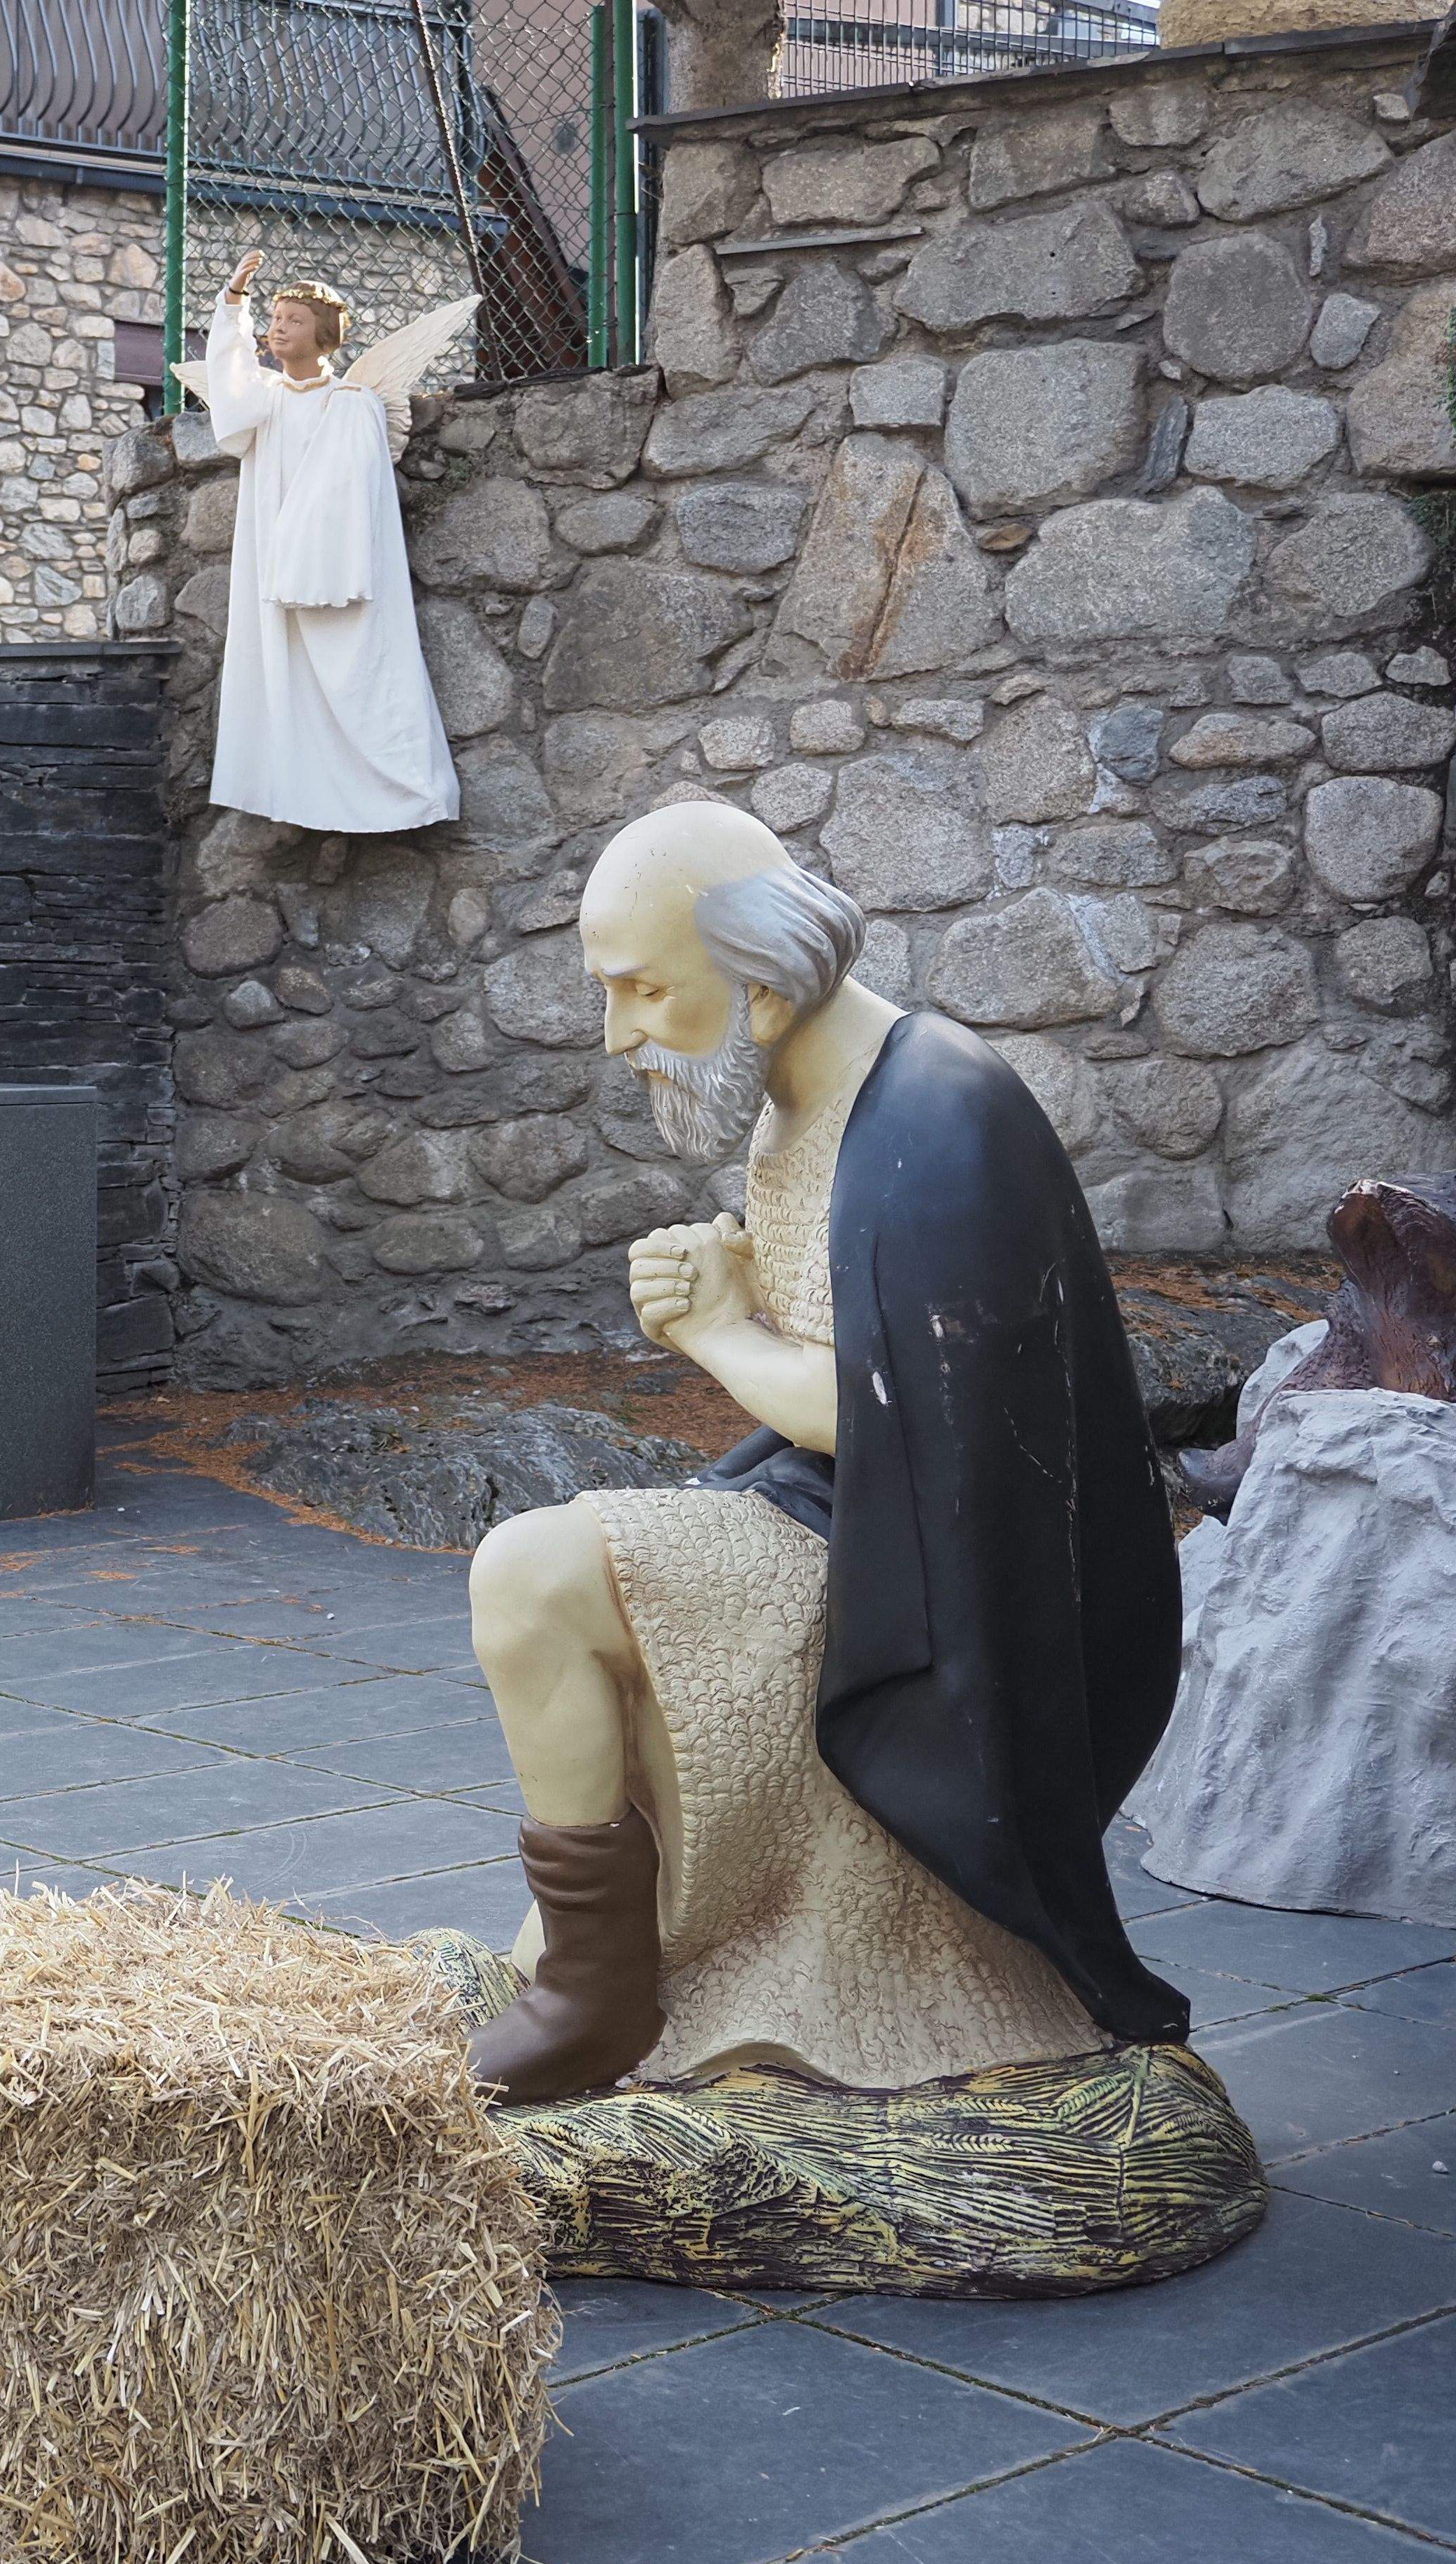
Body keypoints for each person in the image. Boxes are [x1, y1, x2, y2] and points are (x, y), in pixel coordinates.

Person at [461, 800, 1190, 2103]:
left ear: (756, 987)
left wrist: (719, 1334)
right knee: (570, 1580)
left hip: (930, 1578)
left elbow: (896, 1414)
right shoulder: (799, 1094)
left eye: (639, 992)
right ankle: (603, 1957)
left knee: (529, 1573)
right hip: (848, 1517)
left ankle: (592, 1988)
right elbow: (841, 1327)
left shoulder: (935, 1119)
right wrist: (730, 1278)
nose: (616, 1034)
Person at [194, 249, 461, 834]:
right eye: (274, 318)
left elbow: (353, 488)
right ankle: (298, 794)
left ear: (322, 334)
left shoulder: (353, 404)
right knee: (283, 672)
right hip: (274, 561)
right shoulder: (264, 400)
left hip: (340, 569)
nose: (277, 328)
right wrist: (233, 304)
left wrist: (308, 551)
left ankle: (402, 793)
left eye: (290, 319)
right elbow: (230, 398)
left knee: (360, 667)